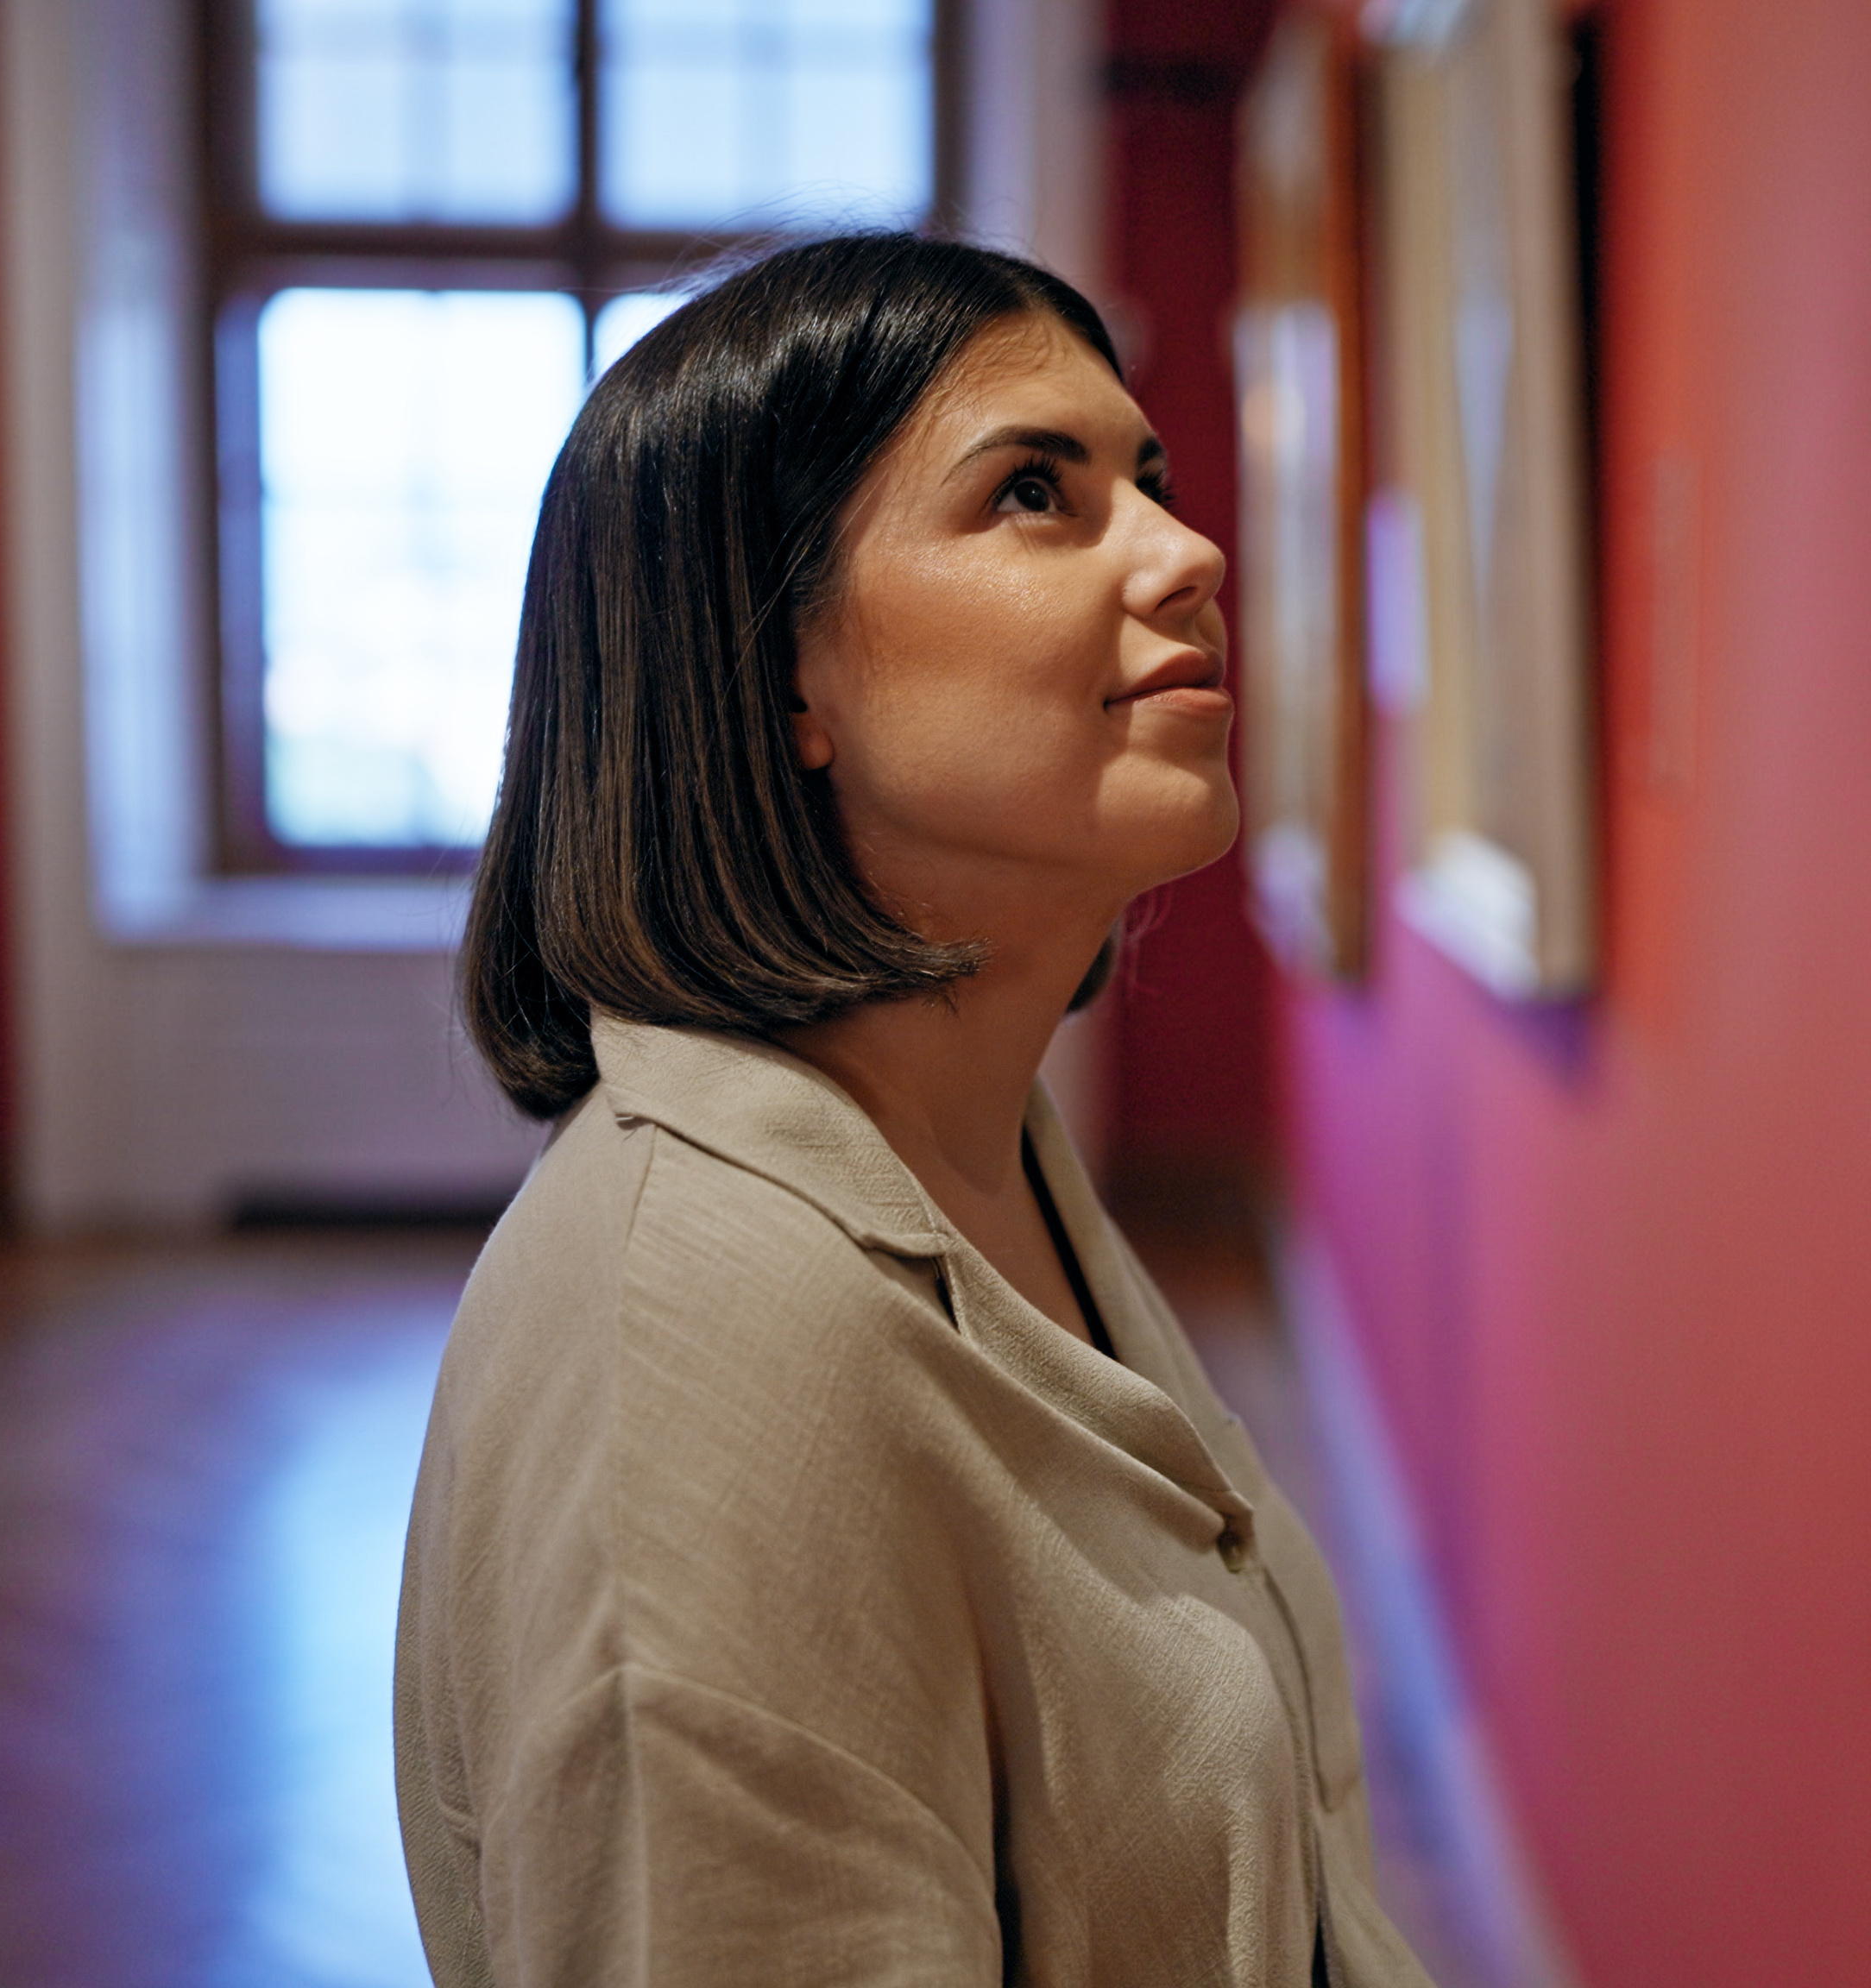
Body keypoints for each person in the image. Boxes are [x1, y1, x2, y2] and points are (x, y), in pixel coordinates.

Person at [396, 234, 1434, 1988]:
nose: (1188, 556)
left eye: (1149, 479)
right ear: (778, 667)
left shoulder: (978, 1147)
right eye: (1036, 492)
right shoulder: (713, 1357)